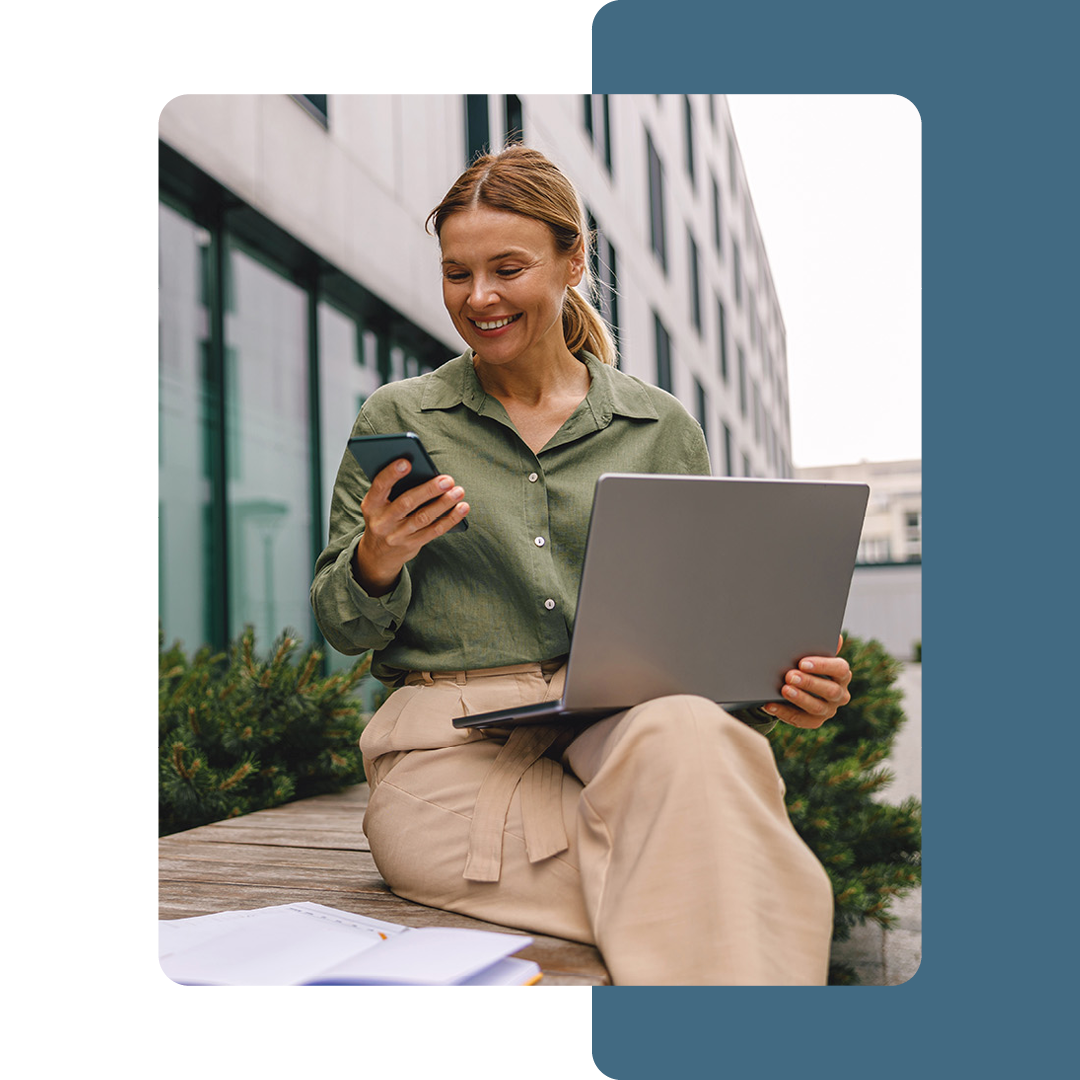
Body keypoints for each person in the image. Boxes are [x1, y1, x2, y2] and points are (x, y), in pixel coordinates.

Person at [311, 145, 852, 985]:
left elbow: (697, 632)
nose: (478, 297)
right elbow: (342, 626)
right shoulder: (402, 416)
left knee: (694, 731)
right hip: (449, 765)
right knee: (721, 880)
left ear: (574, 260)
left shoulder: (658, 426)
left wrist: (782, 689)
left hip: (626, 729)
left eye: (506, 268)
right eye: (458, 273)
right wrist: (377, 558)